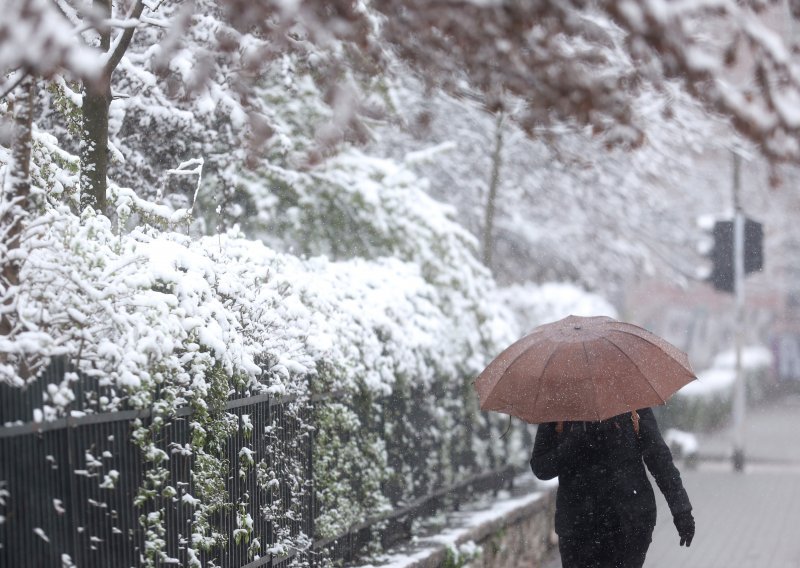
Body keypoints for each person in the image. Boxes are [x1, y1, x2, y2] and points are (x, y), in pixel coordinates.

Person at [531, 408, 694, 568]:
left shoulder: (628, 396)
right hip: (578, 528)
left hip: (630, 522)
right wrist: (574, 443)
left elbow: (658, 457)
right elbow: (541, 467)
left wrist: (681, 509)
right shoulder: (561, 404)